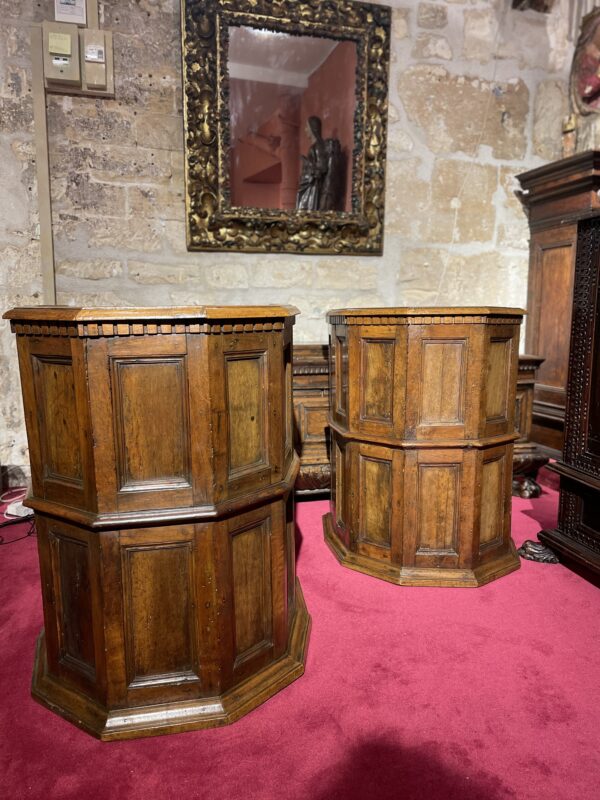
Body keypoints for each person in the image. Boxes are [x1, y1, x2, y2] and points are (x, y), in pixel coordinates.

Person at [296, 116, 328, 211]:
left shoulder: (318, 146)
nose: (305, 130)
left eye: (307, 127)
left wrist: (308, 164)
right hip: (309, 182)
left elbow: (322, 167)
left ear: (313, 128)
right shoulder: (314, 146)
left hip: (313, 185)